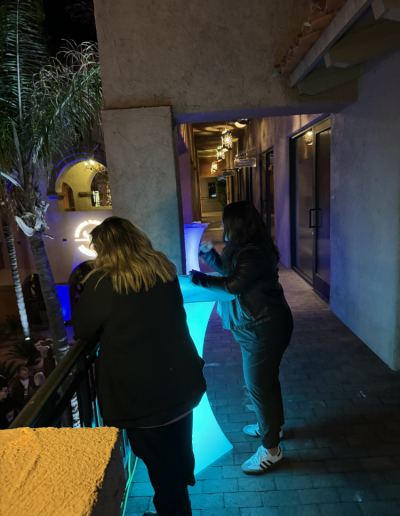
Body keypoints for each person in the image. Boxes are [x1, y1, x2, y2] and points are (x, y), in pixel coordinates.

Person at [72, 216, 206, 516]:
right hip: (182, 384)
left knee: (161, 466)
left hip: (142, 398)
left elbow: (83, 328)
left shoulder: (103, 282)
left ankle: (174, 510)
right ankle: (180, 499)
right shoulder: (163, 268)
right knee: (178, 451)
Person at [190, 200, 293, 475]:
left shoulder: (253, 251)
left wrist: (199, 279)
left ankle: (271, 450)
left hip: (263, 327)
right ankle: (269, 427)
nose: (222, 227)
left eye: (225, 223)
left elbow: (234, 285)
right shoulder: (250, 247)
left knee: (259, 386)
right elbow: (233, 274)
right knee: (265, 383)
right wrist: (210, 255)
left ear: (236, 224)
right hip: (262, 325)